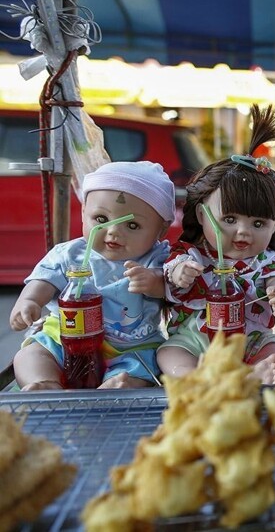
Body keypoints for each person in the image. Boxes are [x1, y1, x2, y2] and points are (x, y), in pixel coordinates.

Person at [9, 161, 176, 390]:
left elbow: (174, 285)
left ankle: (116, 386)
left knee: (139, 371)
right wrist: (29, 301)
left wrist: (156, 283)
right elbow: (44, 279)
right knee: (31, 354)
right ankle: (45, 383)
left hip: (131, 346)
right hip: (65, 339)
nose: (114, 231)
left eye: (133, 225)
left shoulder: (158, 258)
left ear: (161, 230)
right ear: (84, 211)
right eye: (101, 219)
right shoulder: (69, 254)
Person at [159, 104, 275, 385]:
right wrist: (180, 273)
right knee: (169, 353)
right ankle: (196, 378)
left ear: (274, 226)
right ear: (203, 215)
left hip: (249, 341)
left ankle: (254, 374)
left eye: (258, 224)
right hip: (196, 339)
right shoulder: (192, 254)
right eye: (229, 219)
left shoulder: (268, 262)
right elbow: (172, 269)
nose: (243, 232)